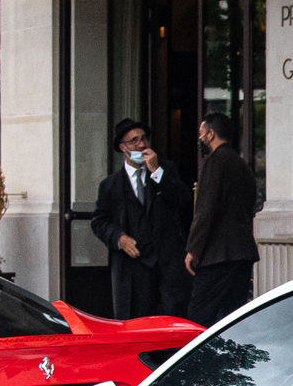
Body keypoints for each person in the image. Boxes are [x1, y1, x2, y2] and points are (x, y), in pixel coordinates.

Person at [91, 118, 190, 319]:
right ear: (123, 147)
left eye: (144, 139)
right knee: (137, 323)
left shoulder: (166, 170)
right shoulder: (110, 185)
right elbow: (98, 221)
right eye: (134, 141)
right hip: (133, 268)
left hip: (167, 265)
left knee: (172, 320)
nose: (142, 145)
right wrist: (120, 238)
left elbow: (183, 200)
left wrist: (156, 172)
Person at [184, 112, 258, 327]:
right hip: (242, 252)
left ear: (211, 133)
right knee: (233, 318)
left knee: (199, 316)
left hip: (218, 255)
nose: (200, 138)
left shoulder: (214, 162)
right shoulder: (242, 164)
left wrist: (193, 249)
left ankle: (198, 361)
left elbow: (205, 210)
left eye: (201, 133)